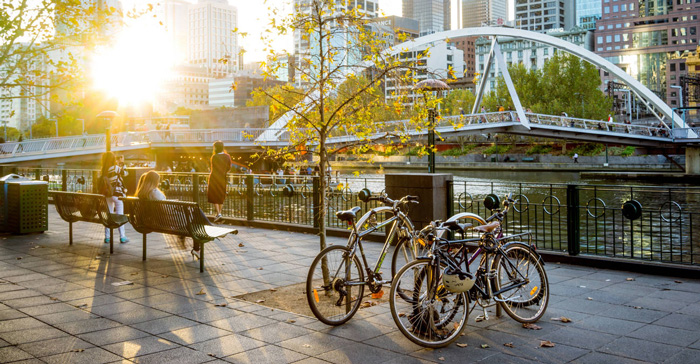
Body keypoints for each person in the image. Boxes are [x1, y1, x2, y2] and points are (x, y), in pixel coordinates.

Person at [100, 152, 129, 244]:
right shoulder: (115, 168)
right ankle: (122, 237)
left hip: (108, 195)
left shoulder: (103, 170)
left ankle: (107, 237)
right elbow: (125, 173)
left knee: (109, 215)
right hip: (117, 195)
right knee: (119, 215)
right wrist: (122, 163)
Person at [207, 140, 231, 222]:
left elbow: (213, 168)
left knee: (214, 195)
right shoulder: (227, 156)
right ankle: (219, 214)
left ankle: (219, 214)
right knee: (221, 194)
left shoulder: (214, 157)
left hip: (214, 178)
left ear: (216, 147)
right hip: (222, 178)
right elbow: (228, 168)